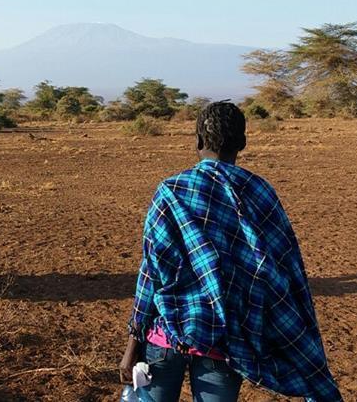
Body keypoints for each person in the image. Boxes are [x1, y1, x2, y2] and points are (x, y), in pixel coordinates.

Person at [119, 102, 341, 402]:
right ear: (243, 143)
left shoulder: (171, 192)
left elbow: (151, 274)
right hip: (226, 342)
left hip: (165, 336)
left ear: (198, 140)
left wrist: (132, 346)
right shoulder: (260, 193)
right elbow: (284, 271)